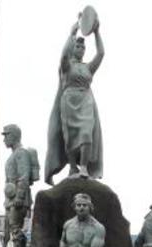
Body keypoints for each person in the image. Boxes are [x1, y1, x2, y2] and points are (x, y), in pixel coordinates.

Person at [45, 14, 104, 184]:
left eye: (82, 47)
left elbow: (101, 53)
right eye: (77, 46)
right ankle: (72, 166)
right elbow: (63, 56)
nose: (80, 48)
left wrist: (96, 32)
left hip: (85, 100)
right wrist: (72, 34)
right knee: (69, 136)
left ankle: (84, 166)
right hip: (69, 100)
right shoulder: (66, 66)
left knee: (86, 133)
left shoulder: (88, 68)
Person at [2, 124, 39, 247]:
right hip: (11, 198)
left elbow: (24, 176)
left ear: (14, 135)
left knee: (15, 226)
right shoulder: (14, 154)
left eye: (6, 135)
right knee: (11, 226)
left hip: (19, 198)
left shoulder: (21, 153)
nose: (4, 139)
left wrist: (19, 196)